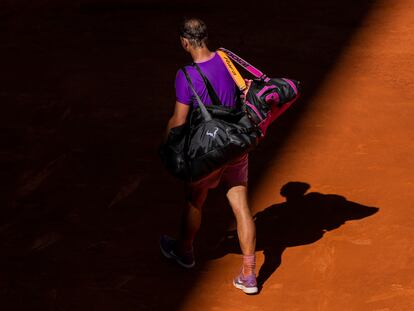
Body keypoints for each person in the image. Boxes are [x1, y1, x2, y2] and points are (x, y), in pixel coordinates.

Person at [160, 18, 258, 294]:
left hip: (208, 151)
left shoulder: (185, 75)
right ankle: (249, 274)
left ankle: (184, 251)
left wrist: (165, 142)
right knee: (241, 207)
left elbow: (178, 120)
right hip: (235, 144)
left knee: (194, 201)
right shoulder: (226, 59)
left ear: (185, 42)